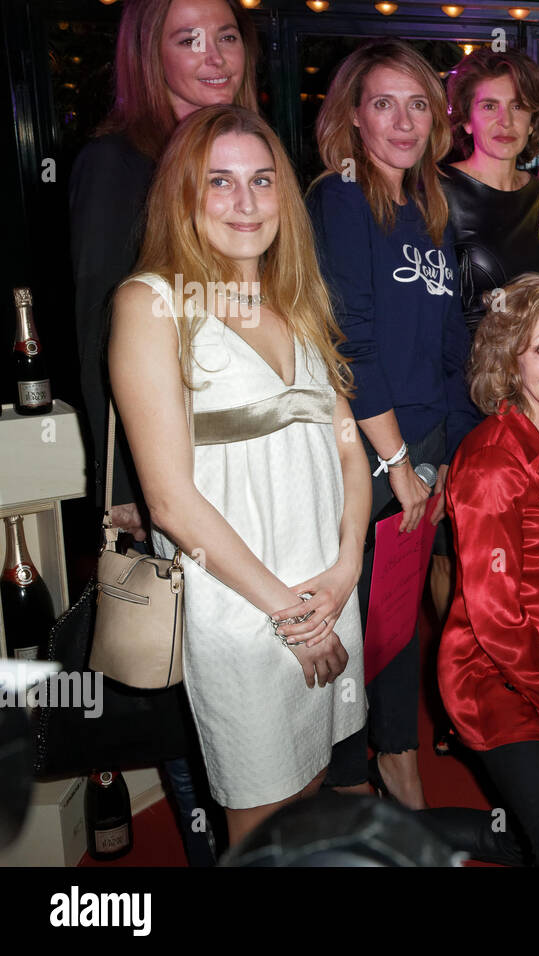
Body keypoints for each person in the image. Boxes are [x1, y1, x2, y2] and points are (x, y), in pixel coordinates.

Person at [108, 105, 370, 848]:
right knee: (261, 825)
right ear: (183, 196)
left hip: (326, 589)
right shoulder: (151, 304)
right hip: (247, 613)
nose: (247, 203)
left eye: (262, 180)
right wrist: (290, 614)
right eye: (219, 183)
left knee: (311, 792)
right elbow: (169, 501)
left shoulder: (297, 301)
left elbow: (348, 447)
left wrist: (346, 569)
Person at [68, 0, 261, 866]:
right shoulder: (117, 164)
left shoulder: (245, 151)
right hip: (168, 467)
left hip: (246, 454)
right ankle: (204, 843)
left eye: (225, 34)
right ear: (149, 53)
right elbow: (95, 328)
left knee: (240, 668)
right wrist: (126, 495)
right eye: (188, 38)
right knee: (188, 675)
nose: (214, 55)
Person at [308, 39, 478, 810]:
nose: (403, 121)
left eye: (417, 103)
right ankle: (370, 771)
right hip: (370, 450)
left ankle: (388, 758)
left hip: (424, 446)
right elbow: (352, 343)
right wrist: (400, 462)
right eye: (383, 102)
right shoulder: (340, 200)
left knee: (396, 612)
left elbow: (447, 345)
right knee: (361, 618)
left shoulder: (430, 203)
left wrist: (443, 453)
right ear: (353, 116)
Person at [427, 273, 539, 867]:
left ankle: (390, 828)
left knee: (528, 835)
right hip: (490, 676)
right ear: (511, 358)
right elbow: (498, 619)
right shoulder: (491, 464)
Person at [442, 48, 539, 336]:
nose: (505, 121)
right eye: (489, 106)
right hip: (461, 367)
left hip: (526, 365)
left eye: (518, 106)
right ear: (467, 120)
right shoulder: (436, 189)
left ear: (533, 121)